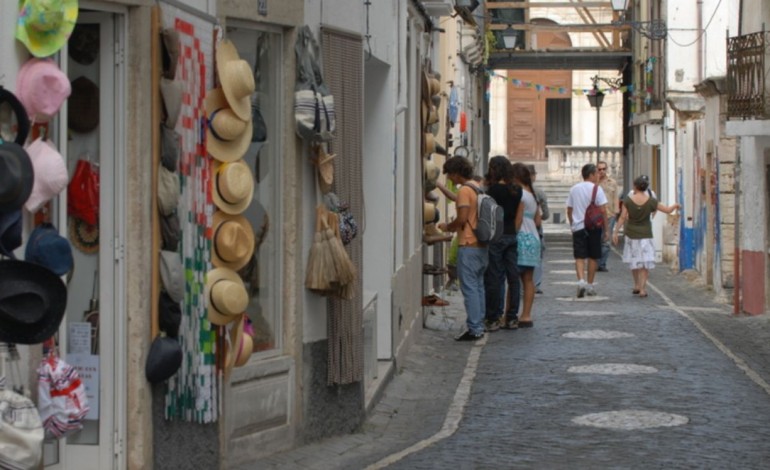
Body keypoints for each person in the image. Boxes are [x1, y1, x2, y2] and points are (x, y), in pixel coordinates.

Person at [438, 156, 488, 341]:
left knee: (469, 289)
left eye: (450, 175)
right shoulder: (476, 187)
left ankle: (474, 328)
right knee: (478, 286)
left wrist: (447, 227)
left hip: (468, 244)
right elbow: (458, 199)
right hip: (481, 245)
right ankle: (480, 324)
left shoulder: (465, 190)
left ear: (457, 173)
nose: (450, 179)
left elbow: (462, 217)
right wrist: (439, 187)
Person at [612, 175, 680, 297]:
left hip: (631, 235)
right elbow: (668, 210)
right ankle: (643, 289)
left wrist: (616, 232)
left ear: (635, 187)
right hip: (646, 235)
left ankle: (636, 285)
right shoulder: (651, 201)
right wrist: (676, 205)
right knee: (644, 263)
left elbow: (622, 217)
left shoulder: (628, 200)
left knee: (634, 261)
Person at [483, 156, 522, 331]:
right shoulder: (517, 190)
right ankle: (512, 317)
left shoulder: (493, 191)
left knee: (495, 277)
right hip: (511, 235)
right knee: (513, 277)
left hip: (496, 235)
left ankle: (493, 317)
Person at [566, 163, 608, 298]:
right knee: (593, 256)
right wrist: (606, 229)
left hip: (578, 226)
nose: (598, 175)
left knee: (579, 256)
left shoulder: (574, 189)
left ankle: (581, 282)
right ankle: (590, 285)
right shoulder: (597, 189)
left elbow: (569, 209)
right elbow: (603, 211)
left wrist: (572, 223)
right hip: (594, 227)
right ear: (591, 175)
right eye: (596, 173)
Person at [510, 163, 540, 328]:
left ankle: (509, 313)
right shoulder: (533, 196)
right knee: (528, 280)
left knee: (513, 280)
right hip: (533, 238)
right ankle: (526, 315)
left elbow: (518, 219)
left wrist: (511, 234)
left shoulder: (520, 195)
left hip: (521, 238)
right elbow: (537, 221)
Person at [527, 164, 549, 293]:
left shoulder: (515, 190)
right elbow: (546, 214)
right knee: (538, 254)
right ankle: (536, 284)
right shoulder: (539, 192)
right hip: (535, 227)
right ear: (534, 176)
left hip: (519, 228)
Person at [597, 161, 619, 272]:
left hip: (609, 214)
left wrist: (616, 212)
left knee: (606, 239)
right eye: (599, 169)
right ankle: (595, 262)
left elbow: (616, 198)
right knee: (596, 239)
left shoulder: (612, 183)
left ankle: (602, 263)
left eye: (603, 169)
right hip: (596, 216)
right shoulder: (594, 183)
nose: (602, 171)